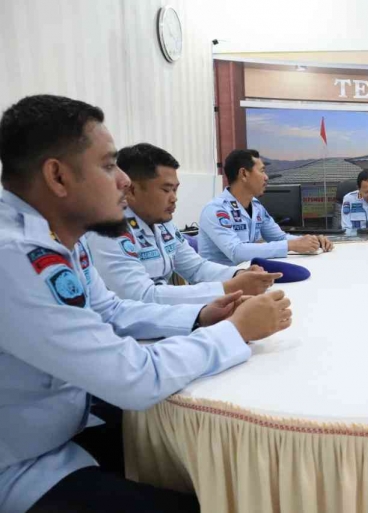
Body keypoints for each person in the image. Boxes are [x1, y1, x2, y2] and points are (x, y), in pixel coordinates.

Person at [0, 94, 293, 513]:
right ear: (57, 177)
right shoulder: (16, 256)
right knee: (214, 498)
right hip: (25, 463)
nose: (122, 181)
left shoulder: (59, 238)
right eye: (107, 165)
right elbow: (134, 378)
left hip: (68, 425)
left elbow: (112, 311)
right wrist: (235, 331)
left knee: (218, 469)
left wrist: (202, 315)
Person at [87, 143, 280, 305]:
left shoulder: (163, 223)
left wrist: (238, 274)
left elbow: (196, 268)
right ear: (131, 190)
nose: (174, 199)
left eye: (176, 190)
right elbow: (141, 296)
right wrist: (226, 288)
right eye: (166, 190)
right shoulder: (107, 230)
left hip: (161, 318)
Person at [198, 149, 333, 264]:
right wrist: (291, 245)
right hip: (220, 285)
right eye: (262, 171)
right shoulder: (216, 210)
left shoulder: (256, 207)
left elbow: (279, 238)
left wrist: (312, 240)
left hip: (248, 277)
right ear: (244, 174)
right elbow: (236, 252)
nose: (266, 177)